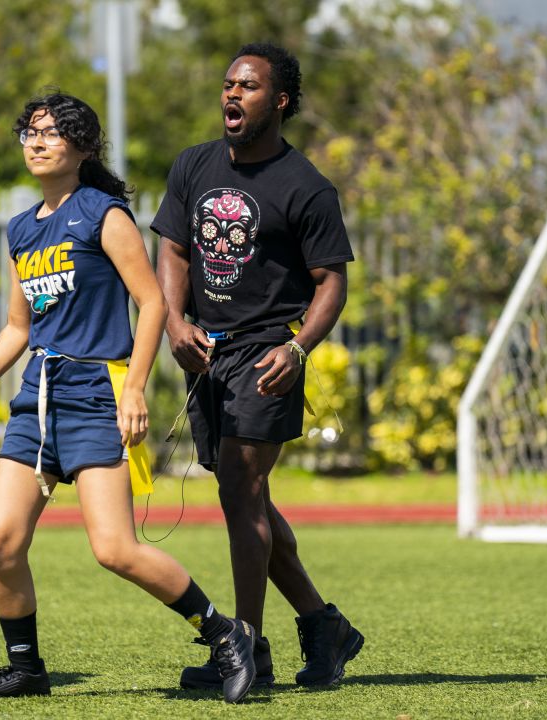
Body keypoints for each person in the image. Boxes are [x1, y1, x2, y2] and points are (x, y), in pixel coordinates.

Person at [0, 92, 257, 704]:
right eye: (29, 133)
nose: (36, 142)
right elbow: (19, 326)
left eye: (52, 133)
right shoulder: (21, 228)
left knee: (114, 549)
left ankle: (225, 633)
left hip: (96, 391)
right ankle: (27, 667)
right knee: (0, 545)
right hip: (38, 394)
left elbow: (152, 304)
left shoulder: (103, 214)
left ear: (83, 148)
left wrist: (134, 385)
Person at [151, 43, 365, 690]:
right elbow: (173, 250)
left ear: (280, 102)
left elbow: (332, 284)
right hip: (205, 354)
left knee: (242, 495)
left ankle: (245, 648)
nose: (231, 95)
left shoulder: (307, 188)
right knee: (250, 504)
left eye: (247, 86)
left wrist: (298, 348)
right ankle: (325, 628)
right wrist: (173, 320)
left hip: (267, 352)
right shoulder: (194, 165)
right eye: (227, 84)